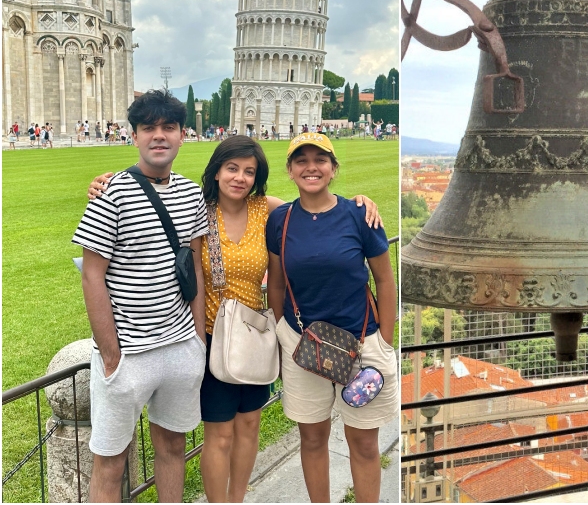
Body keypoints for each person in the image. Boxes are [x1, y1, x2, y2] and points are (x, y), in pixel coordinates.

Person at [88, 135, 382, 503]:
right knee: (220, 434)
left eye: (249, 171)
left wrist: (360, 202)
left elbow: (314, 207)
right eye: (232, 168)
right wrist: (106, 181)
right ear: (217, 171)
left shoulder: (267, 210)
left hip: (256, 337)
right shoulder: (195, 207)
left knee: (249, 426)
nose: (239, 178)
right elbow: (153, 188)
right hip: (212, 336)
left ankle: (238, 498)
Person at [73, 90, 207, 503]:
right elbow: (92, 276)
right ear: (134, 136)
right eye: (149, 128)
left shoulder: (190, 193)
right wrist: (111, 354)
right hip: (128, 353)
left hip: (180, 345)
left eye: (168, 127)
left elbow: (196, 266)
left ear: (183, 135)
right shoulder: (111, 193)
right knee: (110, 462)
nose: (159, 136)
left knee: (172, 449)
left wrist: (198, 339)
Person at [266, 132, 399, 503]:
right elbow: (275, 285)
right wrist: (283, 330)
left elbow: (385, 280)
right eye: (302, 161)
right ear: (290, 171)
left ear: (333, 169)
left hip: (362, 344)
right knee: (311, 440)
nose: (312, 167)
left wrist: (384, 340)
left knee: (365, 443)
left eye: (320, 160)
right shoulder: (280, 220)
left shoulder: (360, 214)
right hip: (303, 345)